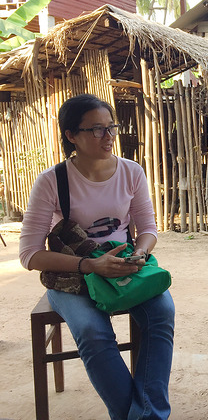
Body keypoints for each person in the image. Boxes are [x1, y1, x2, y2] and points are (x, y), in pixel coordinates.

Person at [19, 94, 175, 420]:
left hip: (123, 267)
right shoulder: (52, 182)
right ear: (71, 135)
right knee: (92, 332)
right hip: (74, 275)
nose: (108, 137)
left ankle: (146, 414)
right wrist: (90, 265)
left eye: (111, 128)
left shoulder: (131, 172)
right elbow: (30, 254)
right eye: (96, 130)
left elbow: (148, 229)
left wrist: (141, 253)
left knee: (162, 312)